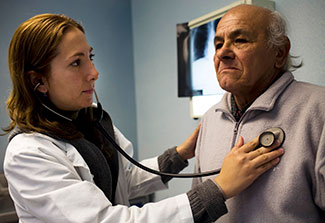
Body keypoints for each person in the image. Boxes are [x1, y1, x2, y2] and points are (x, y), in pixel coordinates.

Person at [2, 13, 284, 223]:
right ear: (38, 81)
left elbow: (123, 179)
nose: (94, 72)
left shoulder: (89, 122)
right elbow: (105, 220)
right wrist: (218, 188)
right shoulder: (28, 154)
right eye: (77, 62)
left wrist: (179, 154)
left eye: (90, 56)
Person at [193, 4, 325, 223]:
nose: (223, 52)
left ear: (280, 52)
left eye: (240, 41)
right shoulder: (210, 119)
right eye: (218, 44)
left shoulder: (318, 109)